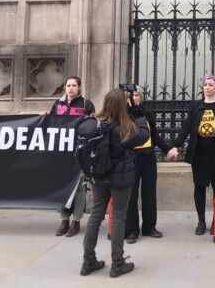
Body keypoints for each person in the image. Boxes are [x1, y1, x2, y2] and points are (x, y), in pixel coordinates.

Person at [80, 88, 149, 278]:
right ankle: (118, 263)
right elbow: (144, 135)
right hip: (120, 177)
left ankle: (88, 261)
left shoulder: (97, 122)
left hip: (99, 175)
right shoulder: (125, 128)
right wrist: (138, 114)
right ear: (123, 105)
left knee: (96, 215)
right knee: (118, 216)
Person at [167, 75, 215, 235]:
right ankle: (201, 221)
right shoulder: (196, 106)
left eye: (211, 85)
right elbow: (186, 127)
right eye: (205, 84)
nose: (207, 87)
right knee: (199, 187)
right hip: (199, 154)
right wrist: (175, 146)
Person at [41, 75, 96, 238]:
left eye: (74, 85)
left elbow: (93, 125)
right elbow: (52, 124)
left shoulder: (86, 104)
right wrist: (45, 116)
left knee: (79, 186)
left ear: (79, 88)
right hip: (61, 152)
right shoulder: (58, 104)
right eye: (68, 85)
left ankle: (76, 221)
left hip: (80, 151)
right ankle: (64, 219)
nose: (71, 88)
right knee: (63, 184)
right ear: (64, 88)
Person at [125, 86, 171, 243]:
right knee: (131, 195)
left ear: (141, 97)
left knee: (149, 193)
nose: (134, 98)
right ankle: (132, 230)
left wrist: (167, 149)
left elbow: (155, 136)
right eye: (132, 96)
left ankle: (149, 227)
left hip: (148, 156)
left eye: (137, 95)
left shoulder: (147, 113)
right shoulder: (124, 114)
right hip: (131, 157)